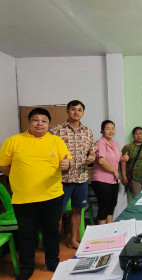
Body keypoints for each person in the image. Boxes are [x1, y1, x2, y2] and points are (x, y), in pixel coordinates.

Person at [0, 108, 72, 280]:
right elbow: (4, 166)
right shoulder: (13, 141)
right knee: (26, 234)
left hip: (52, 196)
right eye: (36, 120)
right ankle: (27, 268)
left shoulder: (56, 141)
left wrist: (66, 165)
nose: (40, 123)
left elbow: (67, 161)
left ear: (48, 124)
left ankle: (53, 263)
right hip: (24, 199)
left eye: (44, 121)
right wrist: (22, 177)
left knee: (51, 232)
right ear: (29, 122)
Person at [50, 100, 97, 249]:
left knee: (78, 209)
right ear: (67, 111)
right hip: (62, 179)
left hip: (81, 178)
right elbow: (48, 152)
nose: (76, 112)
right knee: (57, 212)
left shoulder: (87, 131)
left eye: (79, 110)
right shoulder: (56, 130)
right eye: (73, 109)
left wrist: (92, 156)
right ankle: (53, 244)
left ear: (83, 113)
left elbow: (92, 148)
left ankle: (73, 240)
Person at [91, 120, 129, 224]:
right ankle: (103, 235)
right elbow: (101, 160)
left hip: (113, 180)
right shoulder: (100, 143)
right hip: (101, 180)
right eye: (108, 129)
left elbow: (116, 158)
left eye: (113, 128)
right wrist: (115, 171)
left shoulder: (114, 143)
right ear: (102, 131)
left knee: (111, 206)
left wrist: (123, 158)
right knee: (104, 207)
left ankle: (109, 231)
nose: (111, 131)